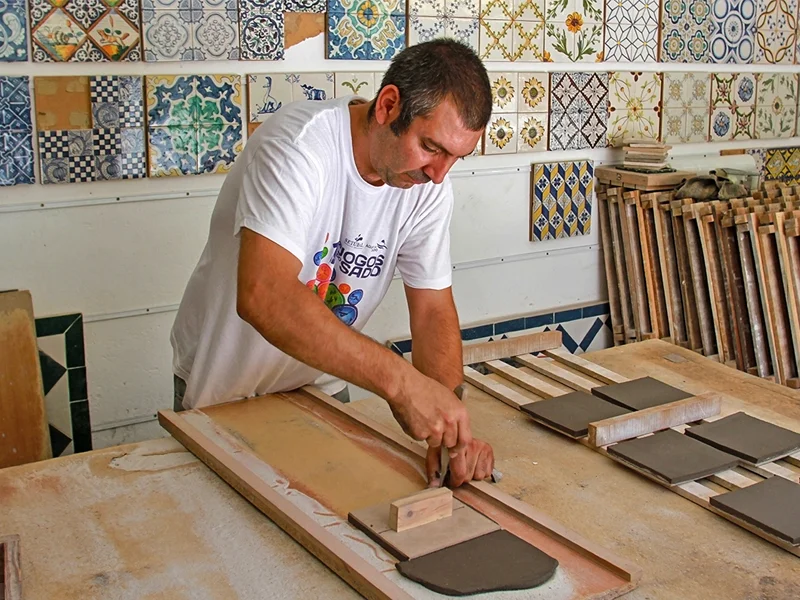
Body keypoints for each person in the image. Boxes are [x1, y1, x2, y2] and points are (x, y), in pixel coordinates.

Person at [170, 39, 495, 487]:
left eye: (456, 158)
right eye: (430, 147)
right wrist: (400, 384)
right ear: (387, 106)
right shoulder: (299, 147)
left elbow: (433, 309)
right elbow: (263, 295)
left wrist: (449, 423)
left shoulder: (429, 187)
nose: (438, 174)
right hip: (222, 389)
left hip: (317, 390)